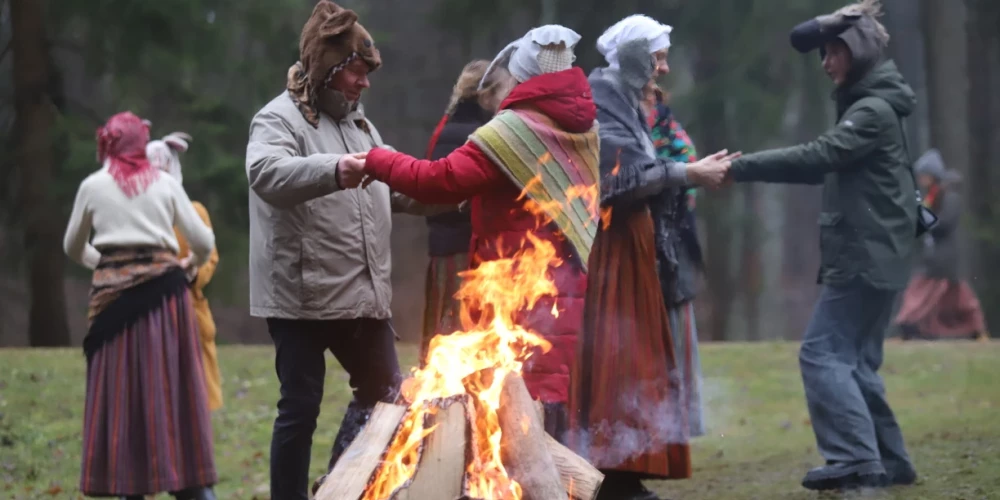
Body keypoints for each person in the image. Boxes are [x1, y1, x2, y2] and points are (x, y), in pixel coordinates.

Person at [245, 2, 450, 497]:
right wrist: (335, 169)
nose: (365, 83)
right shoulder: (277, 119)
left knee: (388, 401)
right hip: (301, 296)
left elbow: (398, 190)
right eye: (357, 71)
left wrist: (457, 194)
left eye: (368, 72)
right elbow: (265, 174)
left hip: (361, 295)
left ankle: (347, 487)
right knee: (300, 408)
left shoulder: (361, 127)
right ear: (327, 68)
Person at [354, 25, 597, 442]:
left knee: (515, 407)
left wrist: (379, 160)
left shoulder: (515, 129)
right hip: (561, 286)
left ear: (521, 75)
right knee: (547, 400)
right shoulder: (582, 125)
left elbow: (439, 179)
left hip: (515, 289)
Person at [726, 0, 918, 490]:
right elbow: (829, 165)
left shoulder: (871, 111)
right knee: (855, 362)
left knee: (821, 355)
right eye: (823, 53)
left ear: (858, 52)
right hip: (881, 255)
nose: (826, 63)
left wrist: (737, 168)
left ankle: (854, 460)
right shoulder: (875, 106)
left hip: (863, 255)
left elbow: (819, 157)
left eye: (834, 52)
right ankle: (890, 460)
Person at [570, 15, 735, 500]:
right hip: (613, 253)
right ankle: (610, 472)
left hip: (633, 249)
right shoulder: (603, 101)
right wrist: (688, 174)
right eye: (657, 58)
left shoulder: (621, 100)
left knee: (634, 360)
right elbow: (620, 179)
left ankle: (625, 468)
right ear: (634, 58)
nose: (663, 69)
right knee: (618, 359)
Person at [64, 112, 217, 500]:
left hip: (111, 303)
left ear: (108, 144)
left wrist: (106, 265)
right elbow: (203, 242)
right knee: (171, 389)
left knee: (122, 394)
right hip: (166, 302)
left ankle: (126, 480)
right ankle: (187, 478)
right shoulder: (165, 184)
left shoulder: (92, 186)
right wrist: (190, 264)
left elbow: (72, 246)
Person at [417, 59, 493, 364]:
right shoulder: (476, 134)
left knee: (445, 333)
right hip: (464, 252)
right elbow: (448, 196)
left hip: (446, 250)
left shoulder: (446, 128)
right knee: (462, 337)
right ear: (486, 94)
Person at [643, 80, 706, 439]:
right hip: (641, 242)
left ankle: (682, 419)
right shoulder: (623, 127)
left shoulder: (672, 135)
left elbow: (688, 180)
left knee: (677, 328)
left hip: (673, 242)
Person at [146, 132, 224, 412]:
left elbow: (209, 257)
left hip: (190, 309)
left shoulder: (194, 212)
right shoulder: (138, 216)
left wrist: (192, 272)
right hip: (148, 311)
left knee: (194, 394)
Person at [894, 149, 990, 341]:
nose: (921, 179)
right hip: (938, 256)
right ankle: (972, 328)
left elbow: (944, 223)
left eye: (924, 175)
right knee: (958, 296)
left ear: (933, 176)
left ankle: (908, 323)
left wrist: (922, 219)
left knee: (923, 292)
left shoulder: (949, 197)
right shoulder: (933, 196)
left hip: (943, 258)